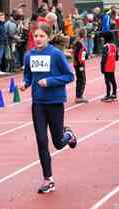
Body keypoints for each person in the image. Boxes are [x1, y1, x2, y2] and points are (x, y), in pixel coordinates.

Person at [20, 23, 77, 194]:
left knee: (58, 143)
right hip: (38, 103)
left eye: (41, 36)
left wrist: (50, 81)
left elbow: (69, 76)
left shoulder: (56, 54)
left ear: (49, 37)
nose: (38, 39)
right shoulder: (29, 55)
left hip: (55, 102)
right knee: (41, 141)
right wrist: (25, 84)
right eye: (35, 36)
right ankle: (48, 179)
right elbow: (28, 76)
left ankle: (69, 135)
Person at [101, 32, 119, 102]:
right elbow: (117, 58)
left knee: (107, 81)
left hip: (106, 67)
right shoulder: (114, 46)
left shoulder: (106, 47)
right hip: (112, 67)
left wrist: (102, 67)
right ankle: (114, 94)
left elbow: (104, 58)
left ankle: (108, 96)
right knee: (113, 81)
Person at [73, 28, 89, 103]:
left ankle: (79, 95)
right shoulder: (79, 43)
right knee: (82, 79)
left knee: (80, 79)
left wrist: (86, 55)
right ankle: (78, 96)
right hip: (79, 64)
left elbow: (82, 54)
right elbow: (76, 54)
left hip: (79, 63)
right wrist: (80, 64)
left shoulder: (79, 42)